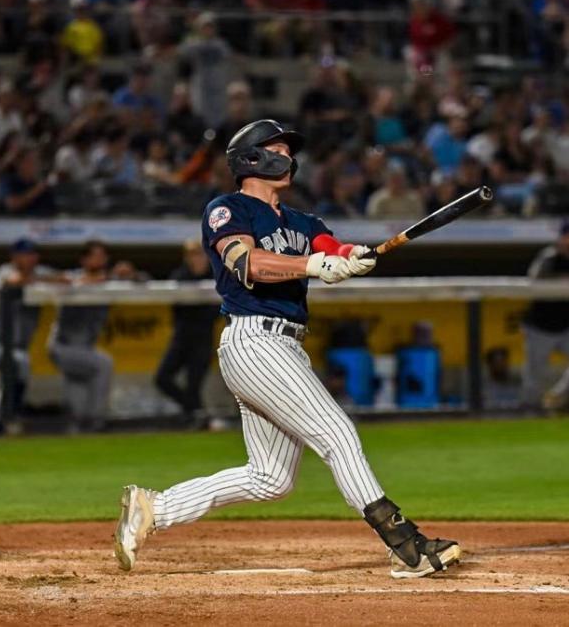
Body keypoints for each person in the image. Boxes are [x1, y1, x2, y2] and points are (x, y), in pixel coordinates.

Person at [114, 119, 461, 579]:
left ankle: (155, 508)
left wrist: (348, 257)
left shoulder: (302, 221)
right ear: (251, 159)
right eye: (277, 149)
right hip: (253, 341)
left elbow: (330, 248)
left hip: (284, 346)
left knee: (270, 479)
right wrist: (312, 265)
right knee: (337, 435)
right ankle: (403, 543)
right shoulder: (227, 209)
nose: (288, 157)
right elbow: (245, 262)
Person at [0, 238, 63, 434]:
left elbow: (64, 279)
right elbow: (13, 281)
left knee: (11, 374)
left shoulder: (41, 273)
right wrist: (39, 280)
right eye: (26, 254)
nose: (31, 258)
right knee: (18, 365)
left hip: (17, 347)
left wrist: (42, 279)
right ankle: (10, 417)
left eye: (33, 254)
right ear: (15, 257)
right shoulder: (4, 270)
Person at [47, 240, 124, 432]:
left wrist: (128, 273)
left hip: (85, 348)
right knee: (104, 364)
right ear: (84, 259)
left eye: (103, 256)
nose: (100, 260)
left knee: (77, 410)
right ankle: (97, 422)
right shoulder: (72, 277)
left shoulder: (110, 281)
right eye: (95, 256)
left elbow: (140, 280)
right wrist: (103, 278)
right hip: (63, 346)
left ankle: (82, 427)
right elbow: (60, 280)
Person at [155, 239, 218, 426]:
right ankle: (196, 413)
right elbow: (177, 308)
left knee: (194, 384)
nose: (197, 259)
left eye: (200, 254)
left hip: (203, 338)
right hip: (182, 337)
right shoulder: (179, 277)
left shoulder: (215, 278)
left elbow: (216, 312)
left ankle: (195, 418)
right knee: (162, 378)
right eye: (192, 255)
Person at [521, 220, 569, 411]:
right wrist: (562, 281)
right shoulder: (549, 257)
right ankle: (529, 408)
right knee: (535, 373)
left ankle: (558, 399)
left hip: (566, 326)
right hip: (541, 325)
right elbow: (533, 281)